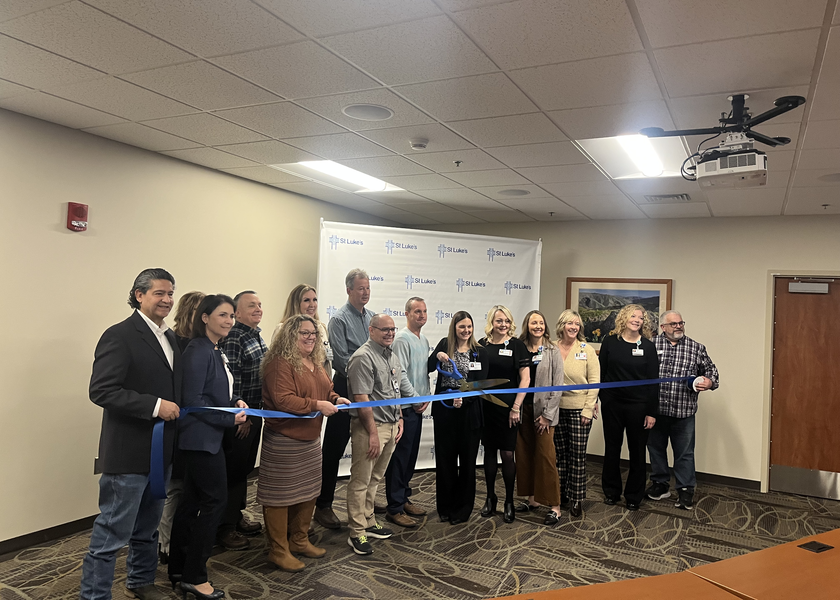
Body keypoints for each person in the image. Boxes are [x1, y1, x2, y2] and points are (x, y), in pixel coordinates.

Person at [82, 268, 182, 600]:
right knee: (111, 533)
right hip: (128, 455)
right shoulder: (119, 335)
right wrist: (155, 405)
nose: (167, 300)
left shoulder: (170, 337)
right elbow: (102, 390)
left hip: (162, 453)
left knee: (148, 528)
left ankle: (140, 581)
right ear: (139, 295)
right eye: (159, 293)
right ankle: (94, 595)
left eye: (170, 293)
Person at [168, 295, 248, 600]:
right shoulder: (198, 350)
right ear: (205, 317)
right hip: (200, 440)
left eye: (231, 316)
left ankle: (180, 570)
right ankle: (195, 576)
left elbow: (213, 394)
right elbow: (193, 401)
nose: (229, 321)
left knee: (191, 504)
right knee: (215, 502)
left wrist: (234, 402)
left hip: (209, 438)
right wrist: (229, 418)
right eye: (222, 315)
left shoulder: (214, 349)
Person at [258, 315, 350, 571]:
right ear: (290, 335)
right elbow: (283, 400)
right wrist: (317, 405)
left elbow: (326, 389)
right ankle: (278, 550)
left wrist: (335, 398)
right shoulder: (279, 364)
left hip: (310, 440)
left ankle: (299, 540)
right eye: (304, 333)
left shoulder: (314, 362)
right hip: (284, 440)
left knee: (309, 491)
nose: (311, 337)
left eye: (314, 333)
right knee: (280, 496)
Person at [346, 314, 417, 555]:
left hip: (391, 425)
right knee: (360, 481)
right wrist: (373, 433)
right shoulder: (362, 357)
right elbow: (362, 399)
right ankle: (356, 532)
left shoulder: (391, 355)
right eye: (385, 329)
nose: (390, 333)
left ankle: (368, 521)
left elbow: (394, 392)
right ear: (371, 330)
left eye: (393, 329)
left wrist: (400, 418)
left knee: (375, 478)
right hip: (371, 428)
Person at [315, 269, 374, 530]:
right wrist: (368, 371)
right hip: (344, 390)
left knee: (367, 448)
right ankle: (323, 505)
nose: (365, 292)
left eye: (368, 287)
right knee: (334, 450)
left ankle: (365, 502)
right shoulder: (339, 320)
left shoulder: (372, 318)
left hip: (369, 390)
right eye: (361, 288)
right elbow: (341, 359)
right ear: (349, 290)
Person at [645, 311, 720, 510]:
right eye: (674, 324)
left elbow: (712, 372)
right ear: (663, 327)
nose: (678, 326)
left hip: (683, 412)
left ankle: (685, 490)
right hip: (656, 411)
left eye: (680, 323)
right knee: (655, 449)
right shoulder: (650, 345)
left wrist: (709, 382)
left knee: (684, 453)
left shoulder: (696, 348)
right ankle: (660, 484)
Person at [217, 291, 267, 550]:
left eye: (259, 304)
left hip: (257, 413)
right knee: (233, 471)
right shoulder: (235, 338)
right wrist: (243, 418)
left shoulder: (256, 335)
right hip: (241, 417)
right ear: (237, 312)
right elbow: (232, 382)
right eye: (251, 306)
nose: (258, 309)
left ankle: (235, 516)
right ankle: (225, 528)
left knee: (244, 468)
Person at [429, 311, 489, 524]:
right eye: (462, 326)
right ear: (454, 327)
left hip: (469, 413)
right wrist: (437, 356)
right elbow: (429, 366)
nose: (466, 330)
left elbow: (480, 383)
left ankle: (462, 510)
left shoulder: (480, 352)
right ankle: (445, 507)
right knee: (445, 461)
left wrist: (464, 398)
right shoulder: (445, 344)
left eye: (469, 327)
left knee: (467, 462)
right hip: (445, 411)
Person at [158, 291, 204, 565]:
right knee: (173, 489)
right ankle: (165, 544)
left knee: (188, 489)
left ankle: (180, 541)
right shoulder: (177, 344)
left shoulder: (202, 345)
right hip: (176, 426)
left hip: (196, 427)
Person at [598, 304, 660, 511]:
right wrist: (602, 398)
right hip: (612, 404)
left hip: (639, 407)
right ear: (624, 318)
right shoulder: (609, 342)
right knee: (612, 449)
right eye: (633, 316)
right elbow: (601, 372)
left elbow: (653, 381)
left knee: (637, 452)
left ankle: (634, 496)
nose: (637, 320)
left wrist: (651, 412)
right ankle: (611, 491)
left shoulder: (648, 347)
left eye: (640, 318)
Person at [478, 305, 530, 523]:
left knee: (508, 454)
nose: (503, 324)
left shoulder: (517, 345)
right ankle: (490, 498)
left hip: (509, 409)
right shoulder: (481, 345)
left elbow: (525, 379)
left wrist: (516, 407)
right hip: (486, 407)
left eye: (507, 321)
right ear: (492, 321)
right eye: (499, 320)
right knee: (489, 452)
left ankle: (509, 501)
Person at [384, 297, 431, 528]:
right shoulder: (402, 339)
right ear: (407, 314)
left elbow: (423, 373)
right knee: (400, 458)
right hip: (405, 408)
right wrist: (414, 398)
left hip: (417, 407)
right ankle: (394, 507)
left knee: (410, 457)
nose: (421, 315)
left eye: (424, 311)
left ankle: (403, 498)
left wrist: (426, 395)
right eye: (417, 311)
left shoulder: (423, 339)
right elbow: (399, 374)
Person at [515, 310, 564, 526]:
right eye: (534, 322)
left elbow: (558, 385)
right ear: (527, 325)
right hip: (522, 410)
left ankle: (555, 506)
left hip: (544, 413)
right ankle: (532, 499)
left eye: (541, 323)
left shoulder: (552, 350)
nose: (538, 326)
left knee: (546, 457)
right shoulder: (519, 347)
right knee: (524, 455)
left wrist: (547, 415)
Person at [553, 309, 600, 518]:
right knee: (559, 455)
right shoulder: (551, 347)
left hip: (580, 410)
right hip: (555, 409)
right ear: (562, 325)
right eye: (570, 323)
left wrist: (589, 409)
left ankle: (577, 498)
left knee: (577, 456)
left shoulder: (586, 349)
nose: (574, 327)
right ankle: (560, 493)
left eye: (577, 324)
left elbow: (595, 382)